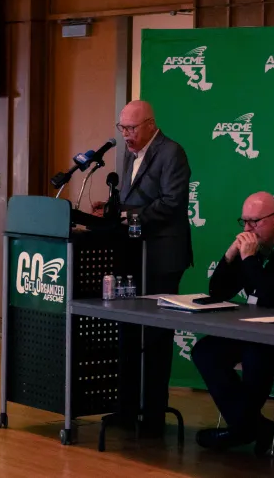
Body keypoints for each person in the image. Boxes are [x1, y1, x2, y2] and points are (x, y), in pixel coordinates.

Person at [192, 192, 274, 453]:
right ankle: (253, 426)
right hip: (254, 331)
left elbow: (272, 296)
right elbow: (218, 291)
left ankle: (241, 429)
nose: (247, 229)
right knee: (206, 352)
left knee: (256, 355)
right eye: (244, 222)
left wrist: (250, 259)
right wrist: (230, 255)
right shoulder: (254, 246)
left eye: (255, 222)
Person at [96, 100, 193, 436]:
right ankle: (126, 409)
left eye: (132, 128)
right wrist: (112, 209)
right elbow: (132, 199)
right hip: (133, 254)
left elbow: (172, 202)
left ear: (151, 125)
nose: (126, 134)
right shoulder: (128, 153)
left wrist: (128, 215)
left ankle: (153, 414)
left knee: (155, 337)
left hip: (162, 257)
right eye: (122, 128)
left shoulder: (171, 153)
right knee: (127, 331)